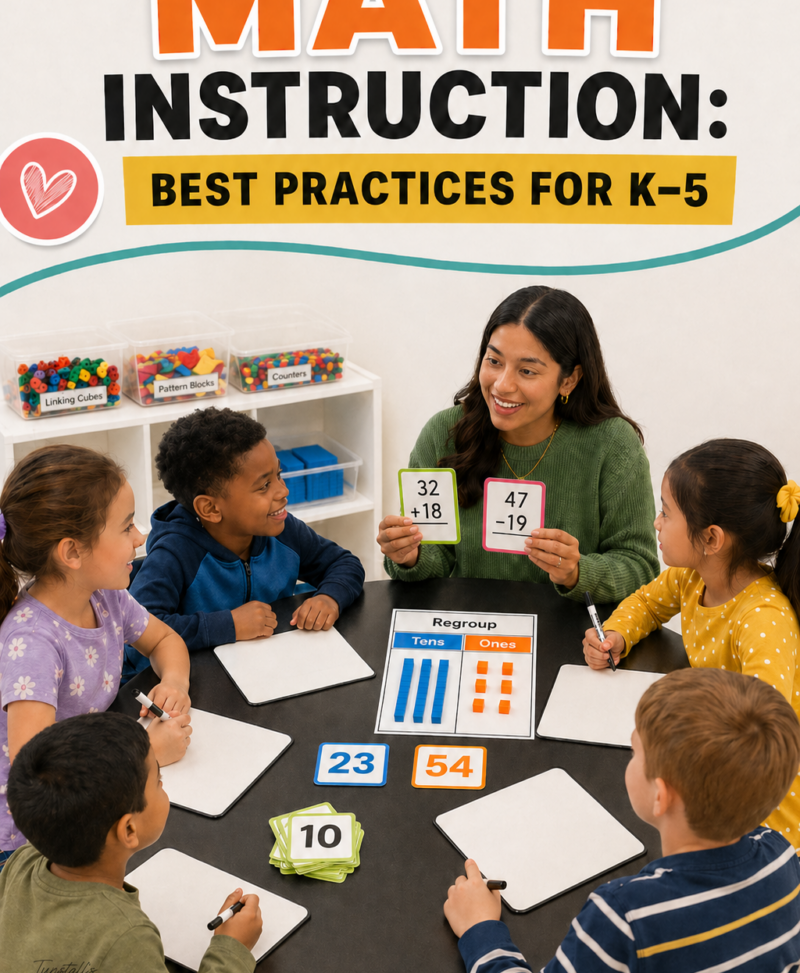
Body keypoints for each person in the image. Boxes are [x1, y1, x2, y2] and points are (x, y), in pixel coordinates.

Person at [443, 668, 800, 973]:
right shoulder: (783, 857)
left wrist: (480, 929)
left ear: (660, 796)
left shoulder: (623, 917)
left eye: (634, 752)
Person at [379, 285, 658, 602]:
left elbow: (641, 567)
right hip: (469, 630)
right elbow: (435, 557)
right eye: (494, 361)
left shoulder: (611, 444)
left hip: (571, 637)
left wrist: (578, 572)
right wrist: (408, 555)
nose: (502, 385)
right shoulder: (443, 433)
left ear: (569, 379)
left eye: (527, 371)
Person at [584, 438, 800, 847]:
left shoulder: (763, 620)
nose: (656, 523)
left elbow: (766, 738)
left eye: (666, 512)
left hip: (761, 808)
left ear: (712, 538)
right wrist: (618, 634)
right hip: (712, 754)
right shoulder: (693, 575)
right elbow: (648, 602)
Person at [0, 445, 192, 864]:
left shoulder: (107, 597)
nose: (141, 537)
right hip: (29, 841)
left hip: (93, 788)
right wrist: (145, 753)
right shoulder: (33, 643)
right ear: (72, 552)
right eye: (126, 528)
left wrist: (174, 682)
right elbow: (40, 778)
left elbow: (165, 641)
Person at [0, 712, 261, 973]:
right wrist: (231, 951)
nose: (163, 785)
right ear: (128, 830)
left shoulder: (22, 861)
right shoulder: (125, 938)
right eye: (159, 780)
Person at [123, 408, 365, 680]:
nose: (283, 491)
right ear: (211, 508)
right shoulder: (174, 554)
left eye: (279, 475)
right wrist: (229, 625)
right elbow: (137, 634)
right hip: (191, 688)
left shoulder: (281, 531)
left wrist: (329, 597)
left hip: (267, 671)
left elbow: (344, 563)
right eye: (264, 486)